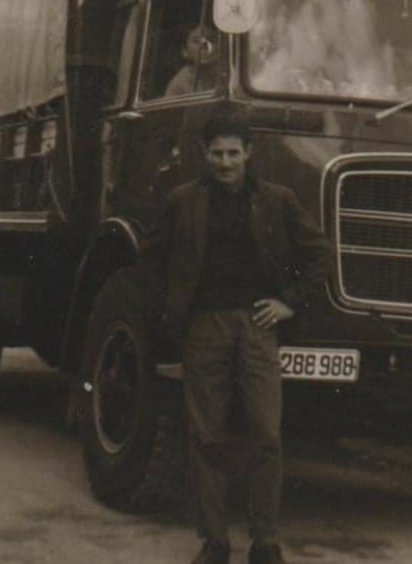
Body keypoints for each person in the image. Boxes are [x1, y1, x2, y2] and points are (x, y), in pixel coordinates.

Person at [143, 104, 329, 564]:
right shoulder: (183, 201)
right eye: (216, 153)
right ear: (204, 154)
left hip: (258, 327)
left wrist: (290, 301)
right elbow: (151, 258)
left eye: (232, 153)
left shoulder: (277, 200)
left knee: (266, 434)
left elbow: (319, 254)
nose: (224, 162)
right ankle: (215, 540)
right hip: (204, 328)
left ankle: (265, 542)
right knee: (206, 436)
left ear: (249, 152)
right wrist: (172, 311)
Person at [165, 24, 220, 97]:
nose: (204, 45)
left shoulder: (225, 75)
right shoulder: (180, 84)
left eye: (211, 40)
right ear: (185, 51)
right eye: (196, 41)